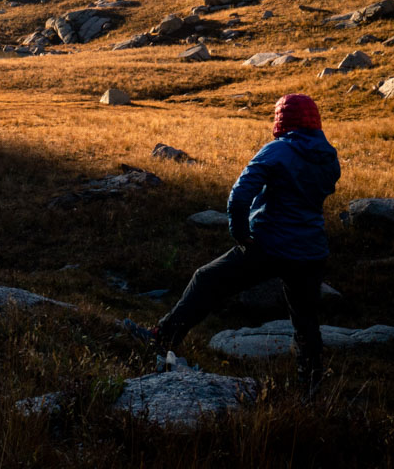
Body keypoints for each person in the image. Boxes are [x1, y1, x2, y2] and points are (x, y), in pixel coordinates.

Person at [127, 93, 340, 392]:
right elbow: (326, 187)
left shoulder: (276, 151)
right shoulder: (328, 154)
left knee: (207, 279)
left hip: (269, 244)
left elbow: (239, 197)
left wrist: (241, 234)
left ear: (281, 119)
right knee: (305, 320)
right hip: (312, 250)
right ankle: (311, 385)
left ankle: (162, 338)